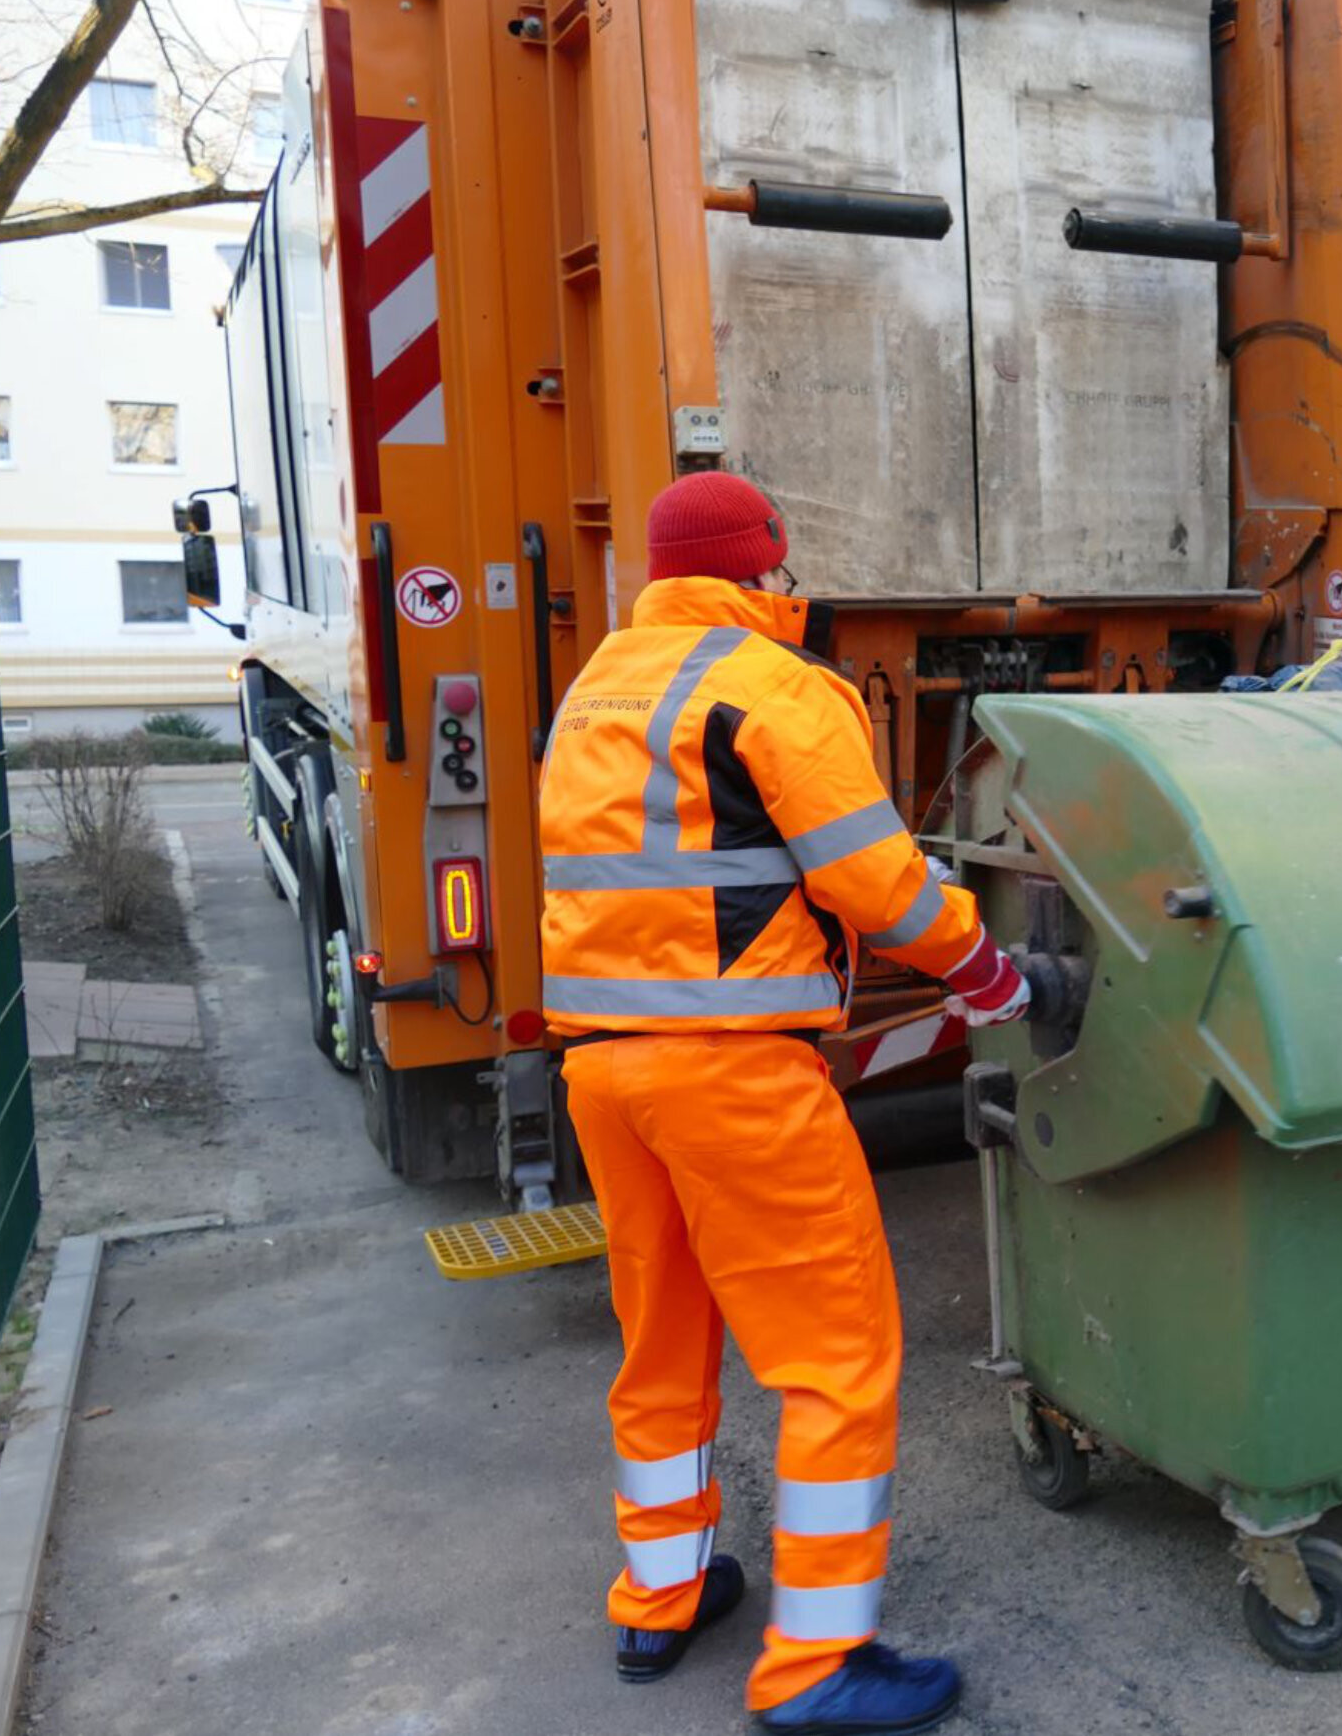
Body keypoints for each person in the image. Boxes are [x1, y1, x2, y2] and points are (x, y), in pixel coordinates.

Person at [539, 469, 1027, 1736]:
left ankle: (662, 1588)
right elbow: (875, 883)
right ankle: (817, 1662)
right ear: (765, 568)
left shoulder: (597, 685)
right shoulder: (775, 687)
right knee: (836, 1360)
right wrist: (985, 971)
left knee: (663, 1341)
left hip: (604, 1071)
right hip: (734, 1073)